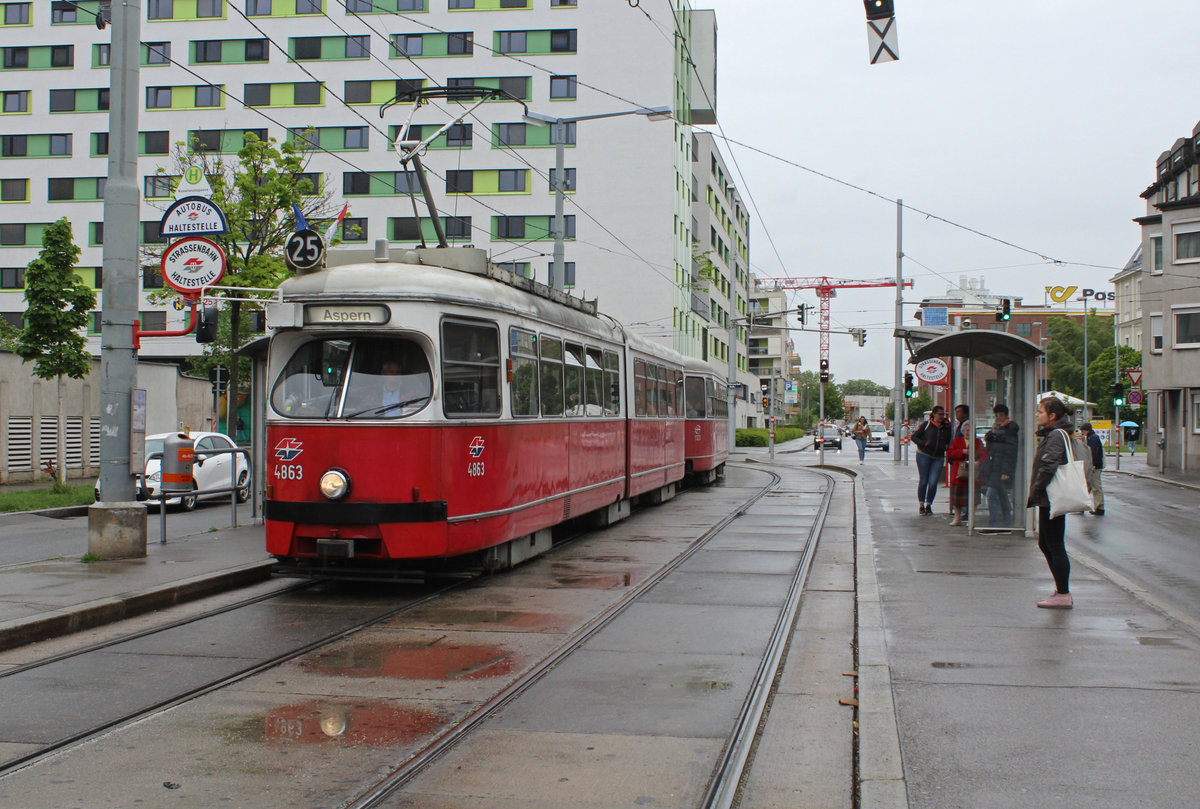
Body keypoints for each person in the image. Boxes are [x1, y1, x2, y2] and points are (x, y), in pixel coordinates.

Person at [1026, 397, 1082, 609]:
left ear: (1053, 416)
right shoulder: (1053, 434)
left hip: (1052, 497)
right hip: (1049, 498)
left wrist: (1036, 490)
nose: (1037, 415)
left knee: (1054, 543)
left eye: (1040, 412)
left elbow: (1049, 465)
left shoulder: (1056, 436)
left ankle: (1063, 593)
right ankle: (1060, 589)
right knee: (1046, 543)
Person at [982, 404, 1020, 527]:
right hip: (995, 466)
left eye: (1000, 415)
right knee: (1002, 495)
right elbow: (990, 448)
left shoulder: (1010, 430)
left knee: (992, 495)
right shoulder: (999, 430)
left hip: (1002, 468)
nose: (998, 418)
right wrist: (993, 432)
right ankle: (1006, 522)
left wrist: (1006, 471)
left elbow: (1010, 451)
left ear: (1006, 415)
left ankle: (994, 524)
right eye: (996, 416)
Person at [945, 405, 982, 526]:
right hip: (959, 473)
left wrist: (978, 462)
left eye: (970, 431)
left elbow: (984, 454)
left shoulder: (977, 442)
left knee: (973, 497)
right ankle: (957, 517)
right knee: (957, 498)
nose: (968, 433)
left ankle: (971, 517)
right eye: (966, 431)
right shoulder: (957, 441)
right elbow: (950, 453)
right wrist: (962, 452)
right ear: (963, 431)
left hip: (973, 473)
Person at [912, 406, 951, 515]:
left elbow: (950, 440)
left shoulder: (946, 427)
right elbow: (914, 437)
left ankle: (929, 504)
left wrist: (946, 446)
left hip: (938, 457)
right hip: (924, 455)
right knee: (924, 480)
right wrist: (924, 444)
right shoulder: (927, 425)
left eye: (943, 414)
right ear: (934, 414)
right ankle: (921, 505)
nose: (941, 417)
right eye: (939, 414)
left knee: (933, 482)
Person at [1080, 422, 1105, 515]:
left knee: (1095, 486)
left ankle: (1099, 507)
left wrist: (1092, 464)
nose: (1082, 433)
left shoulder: (1092, 438)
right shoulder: (1092, 437)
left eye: (1082, 431)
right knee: (1088, 485)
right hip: (1094, 466)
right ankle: (1081, 505)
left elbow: (1093, 452)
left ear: (1086, 430)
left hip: (1095, 466)